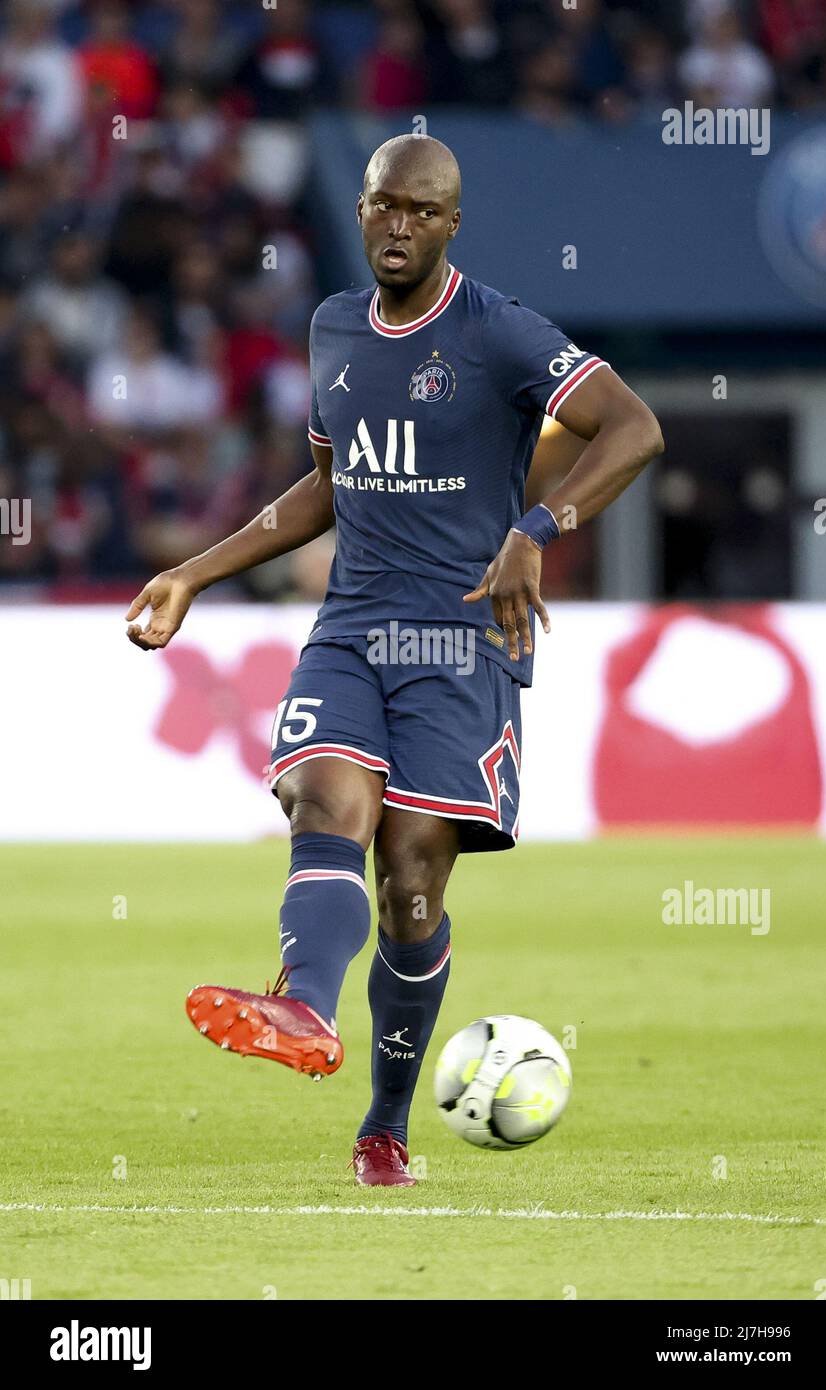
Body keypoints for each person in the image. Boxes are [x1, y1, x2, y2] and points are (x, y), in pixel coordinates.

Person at [125, 135, 663, 1186]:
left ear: (451, 222)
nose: (399, 225)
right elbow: (324, 486)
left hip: (463, 644)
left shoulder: (498, 331)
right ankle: (301, 1003)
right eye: (383, 206)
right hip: (351, 628)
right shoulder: (332, 327)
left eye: (421, 210)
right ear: (363, 210)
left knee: (410, 880)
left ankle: (384, 1125)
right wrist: (195, 571)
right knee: (323, 801)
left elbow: (633, 428)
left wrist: (534, 528)